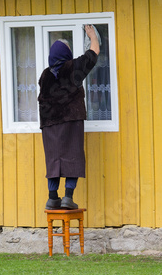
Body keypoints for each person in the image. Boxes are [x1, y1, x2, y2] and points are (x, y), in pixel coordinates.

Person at [38, 25, 100, 210]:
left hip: (49, 124)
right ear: (66, 53)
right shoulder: (73, 68)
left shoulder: (45, 75)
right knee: (72, 156)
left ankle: (52, 198)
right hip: (70, 120)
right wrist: (92, 35)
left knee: (54, 158)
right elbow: (94, 52)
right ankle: (67, 197)